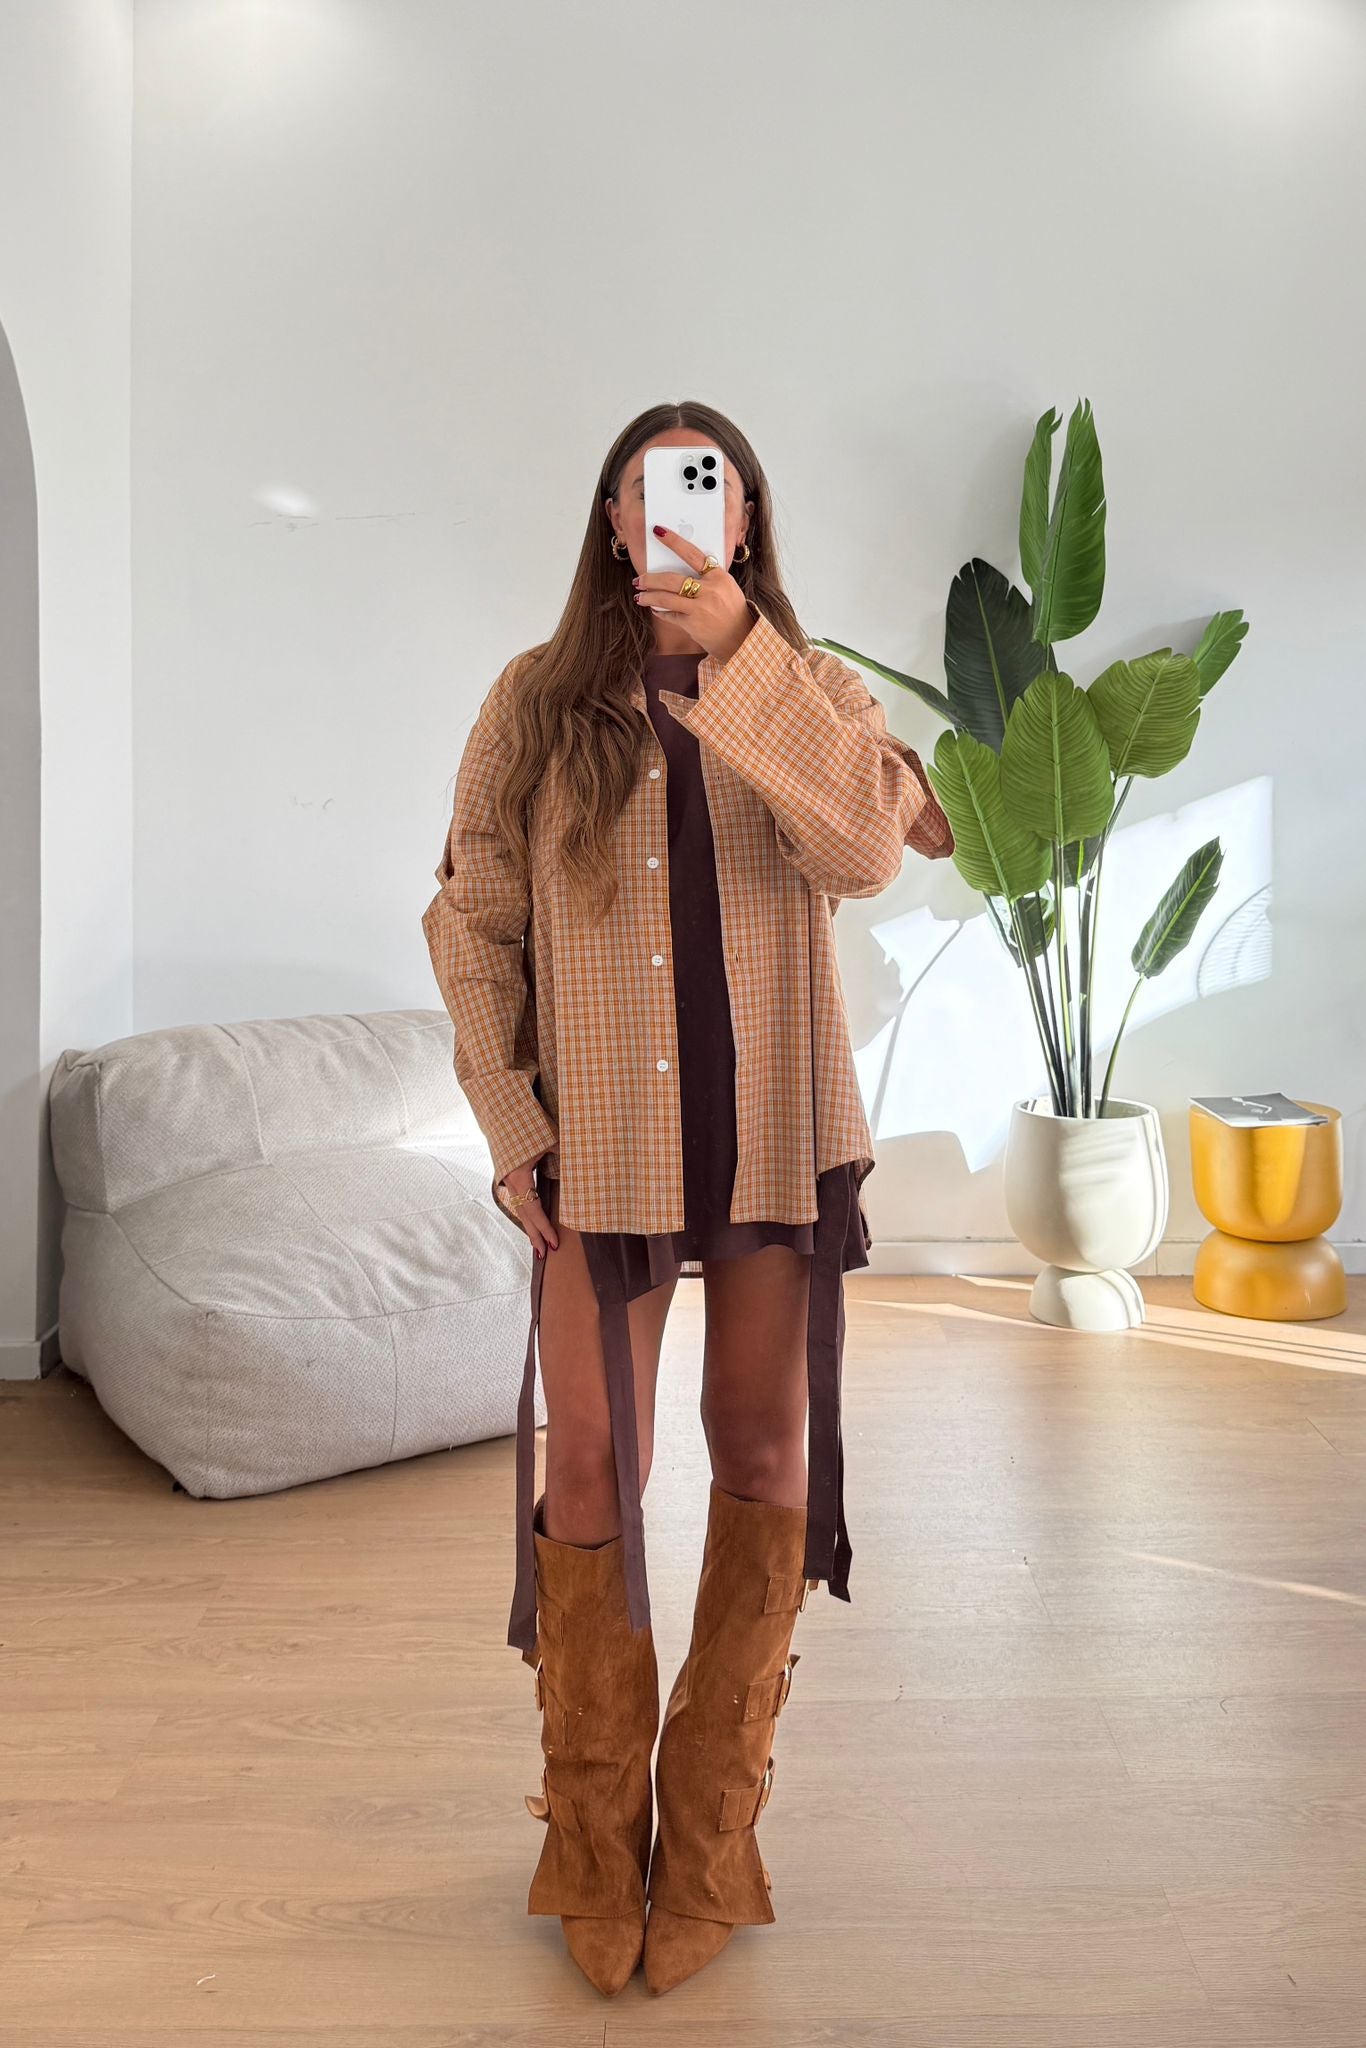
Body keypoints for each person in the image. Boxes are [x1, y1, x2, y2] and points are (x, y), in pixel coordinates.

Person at [421, 400, 953, 1999]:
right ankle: (592, 1844)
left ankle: (711, 1843)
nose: (670, 516)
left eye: (703, 491)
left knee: (764, 1451)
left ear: (743, 522)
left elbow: (864, 854)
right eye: (643, 492)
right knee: (594, 1456)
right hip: (600, 1133)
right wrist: (510, 1121)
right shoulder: (533, 700)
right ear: (608, 522)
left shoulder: (814, 690)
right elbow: (471, 917)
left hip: (771, 1125)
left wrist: (740, 662)